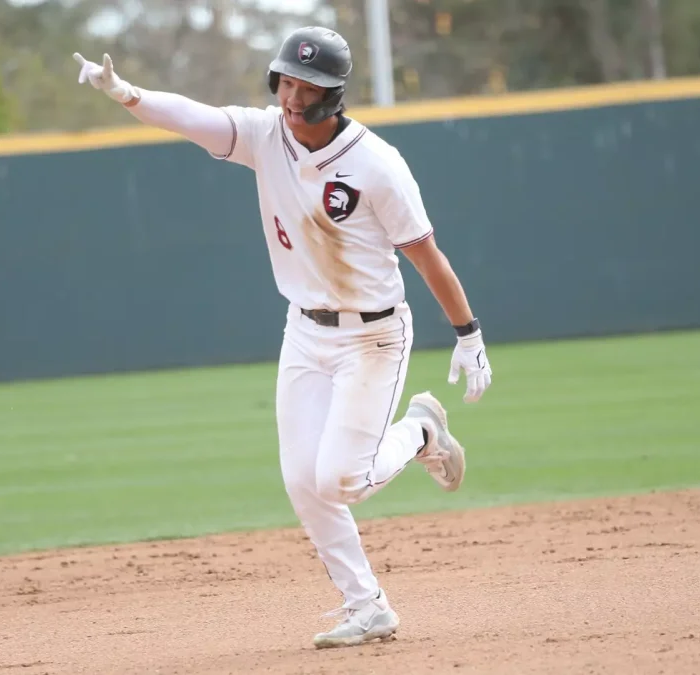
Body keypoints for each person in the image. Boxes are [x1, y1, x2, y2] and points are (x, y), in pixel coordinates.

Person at [73, 26, 492, 649]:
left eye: (308, 86)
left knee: (340, 480)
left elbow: (427, 257)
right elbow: (197, 120)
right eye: (286, 82)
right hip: (304, 332)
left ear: (333, 94)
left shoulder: (377, 165)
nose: (293, 97)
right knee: (303, 480)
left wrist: (468, 334)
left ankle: (424, 432)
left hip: (373, 338)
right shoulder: (267, 135)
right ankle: (367, 606)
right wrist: (128, 93)